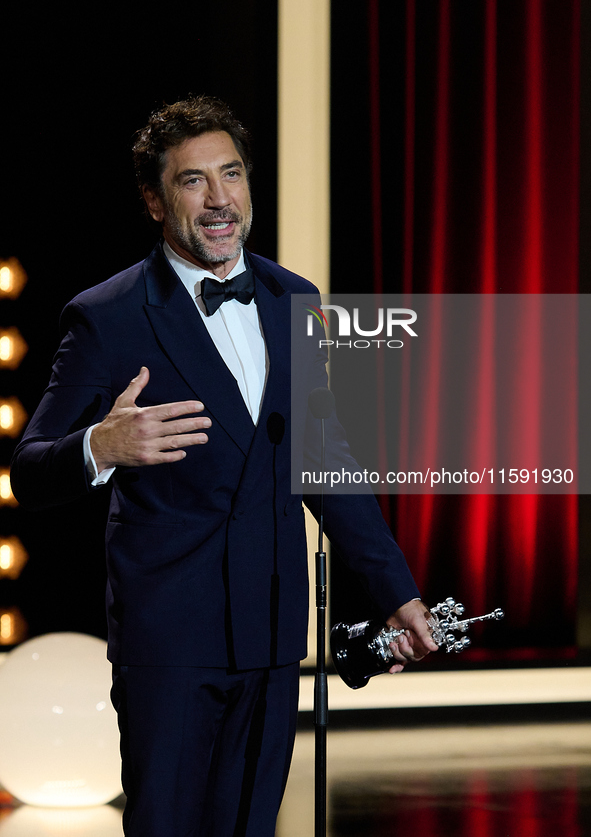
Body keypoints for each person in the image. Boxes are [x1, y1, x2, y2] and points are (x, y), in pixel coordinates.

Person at [10, 96, 438, 837]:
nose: (218, 200)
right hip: (169, 639)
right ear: (154, 199)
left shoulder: (293, 297)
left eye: (231, 174)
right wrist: (100, 447)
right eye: (192, 181)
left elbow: (324, 458)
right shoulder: (106, 314)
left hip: (271, 630)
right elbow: (29, 469)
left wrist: (393, 590)